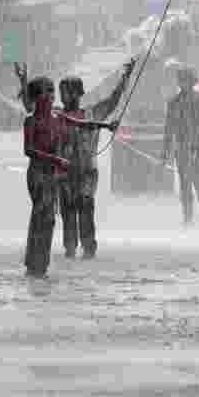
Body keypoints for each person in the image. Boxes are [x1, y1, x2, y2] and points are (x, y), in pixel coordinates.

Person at [21, 76, 118, 278]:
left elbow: (87, 120)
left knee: (61, 214)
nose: (57, 96)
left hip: (71, 172)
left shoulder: (65, 117)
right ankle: (39, 261)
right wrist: (55, 160)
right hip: (50, 174)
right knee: (50, 215)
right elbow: (29, 145)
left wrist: (106, 125)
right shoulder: (41, 118)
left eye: (57, 92)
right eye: (53, 92)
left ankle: (45, 261)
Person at [55, 58, 136, 259]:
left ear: (77, 93)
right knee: (68, 212)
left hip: (87, 172)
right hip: (64, 173)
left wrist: (125, 78)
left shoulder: (92, 112)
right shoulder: (55, 115)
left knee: (85, 206)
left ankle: (89, 248)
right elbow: (32, 109)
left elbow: (112, 101)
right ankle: (70, 249)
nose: (64, 95)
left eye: (66, 91)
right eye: (61, 91)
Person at [161, 65, 199, 226]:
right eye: (181, 80)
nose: (183, 83)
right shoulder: (173, 103)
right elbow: (168, 130)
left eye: (186, 80)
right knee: (185, 186)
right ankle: (187, 219)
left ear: (192, 82)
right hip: (182, 150)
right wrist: (165, 153)